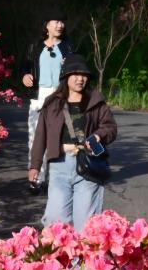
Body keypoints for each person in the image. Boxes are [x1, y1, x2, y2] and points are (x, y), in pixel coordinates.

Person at [28, 54, 118, 232]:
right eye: (75, 74)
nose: (80, 79)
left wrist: (98, 136)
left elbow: (110, 127)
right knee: (55, 221)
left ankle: (82, 252)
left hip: (88, 164)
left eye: (84, 75)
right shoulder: (52, 103)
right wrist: (35, 165)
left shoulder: (96, 101)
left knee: (86, 225)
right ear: (65, 76)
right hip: (59, 166)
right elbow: (41, 135)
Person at [20, 13, 74, 192]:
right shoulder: (35, 47)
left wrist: (68, 66)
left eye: (62, 22)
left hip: (60, 95)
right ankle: (37, 179)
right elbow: (25, 66)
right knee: (35, 138)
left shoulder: (68, 47)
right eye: (56, 22)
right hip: (40, 95)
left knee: (62, 138)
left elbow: (76, 70)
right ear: (47, 25)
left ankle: (61, 179)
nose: (60, 25)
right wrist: (25, 75)